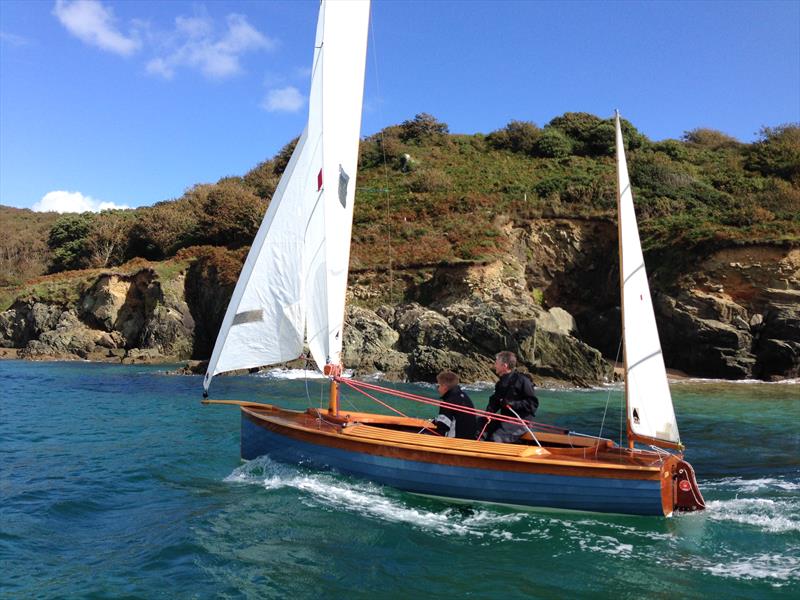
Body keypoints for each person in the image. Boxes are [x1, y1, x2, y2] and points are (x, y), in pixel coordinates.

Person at [481, 351, 539, 443]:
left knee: (496, 438)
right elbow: (495, 400)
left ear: (504, 366)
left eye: (496, 363)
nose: (494, 365)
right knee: (479, 424)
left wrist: (512, 404)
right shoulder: (500, 383)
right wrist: (489, 413)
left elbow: (533, 404)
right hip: (505, 419)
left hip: (520, 422)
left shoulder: (523, 381)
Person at [433, 370, 478, 440]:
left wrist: (435, 422)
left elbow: (442, 427)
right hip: (471, 439)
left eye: (438, 386)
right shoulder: (464, 396)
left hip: (457, 442)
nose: (437, 389)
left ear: (444, 387)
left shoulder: (448, 403)